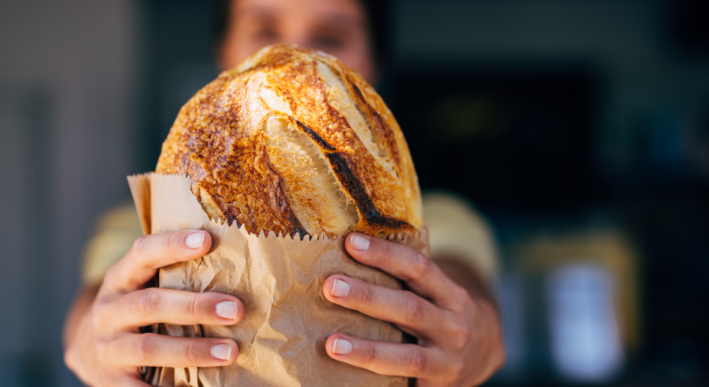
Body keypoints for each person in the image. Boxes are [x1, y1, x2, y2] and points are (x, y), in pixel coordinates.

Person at [63, 0, 505, 386]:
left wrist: (476, 336)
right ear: (224, 53)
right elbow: (94, 304)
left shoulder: (440, 217)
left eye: (331, 36)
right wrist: (89, 336)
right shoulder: (148, 219)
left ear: (374, 64)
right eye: (264, 31)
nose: (292, 56)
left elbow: (466, 292)